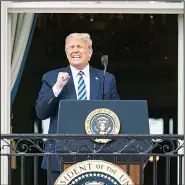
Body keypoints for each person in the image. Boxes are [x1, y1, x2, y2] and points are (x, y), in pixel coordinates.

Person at [35, 32, 120, 184]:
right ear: (66, 52)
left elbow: (117, 115)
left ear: (90, 53)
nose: (75, 50)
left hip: (98, 154)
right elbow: (41, 112)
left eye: (80, 46)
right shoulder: (51, 77)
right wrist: (58, 86)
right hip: (60, 155)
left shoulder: (106, 78)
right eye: (71, 47)